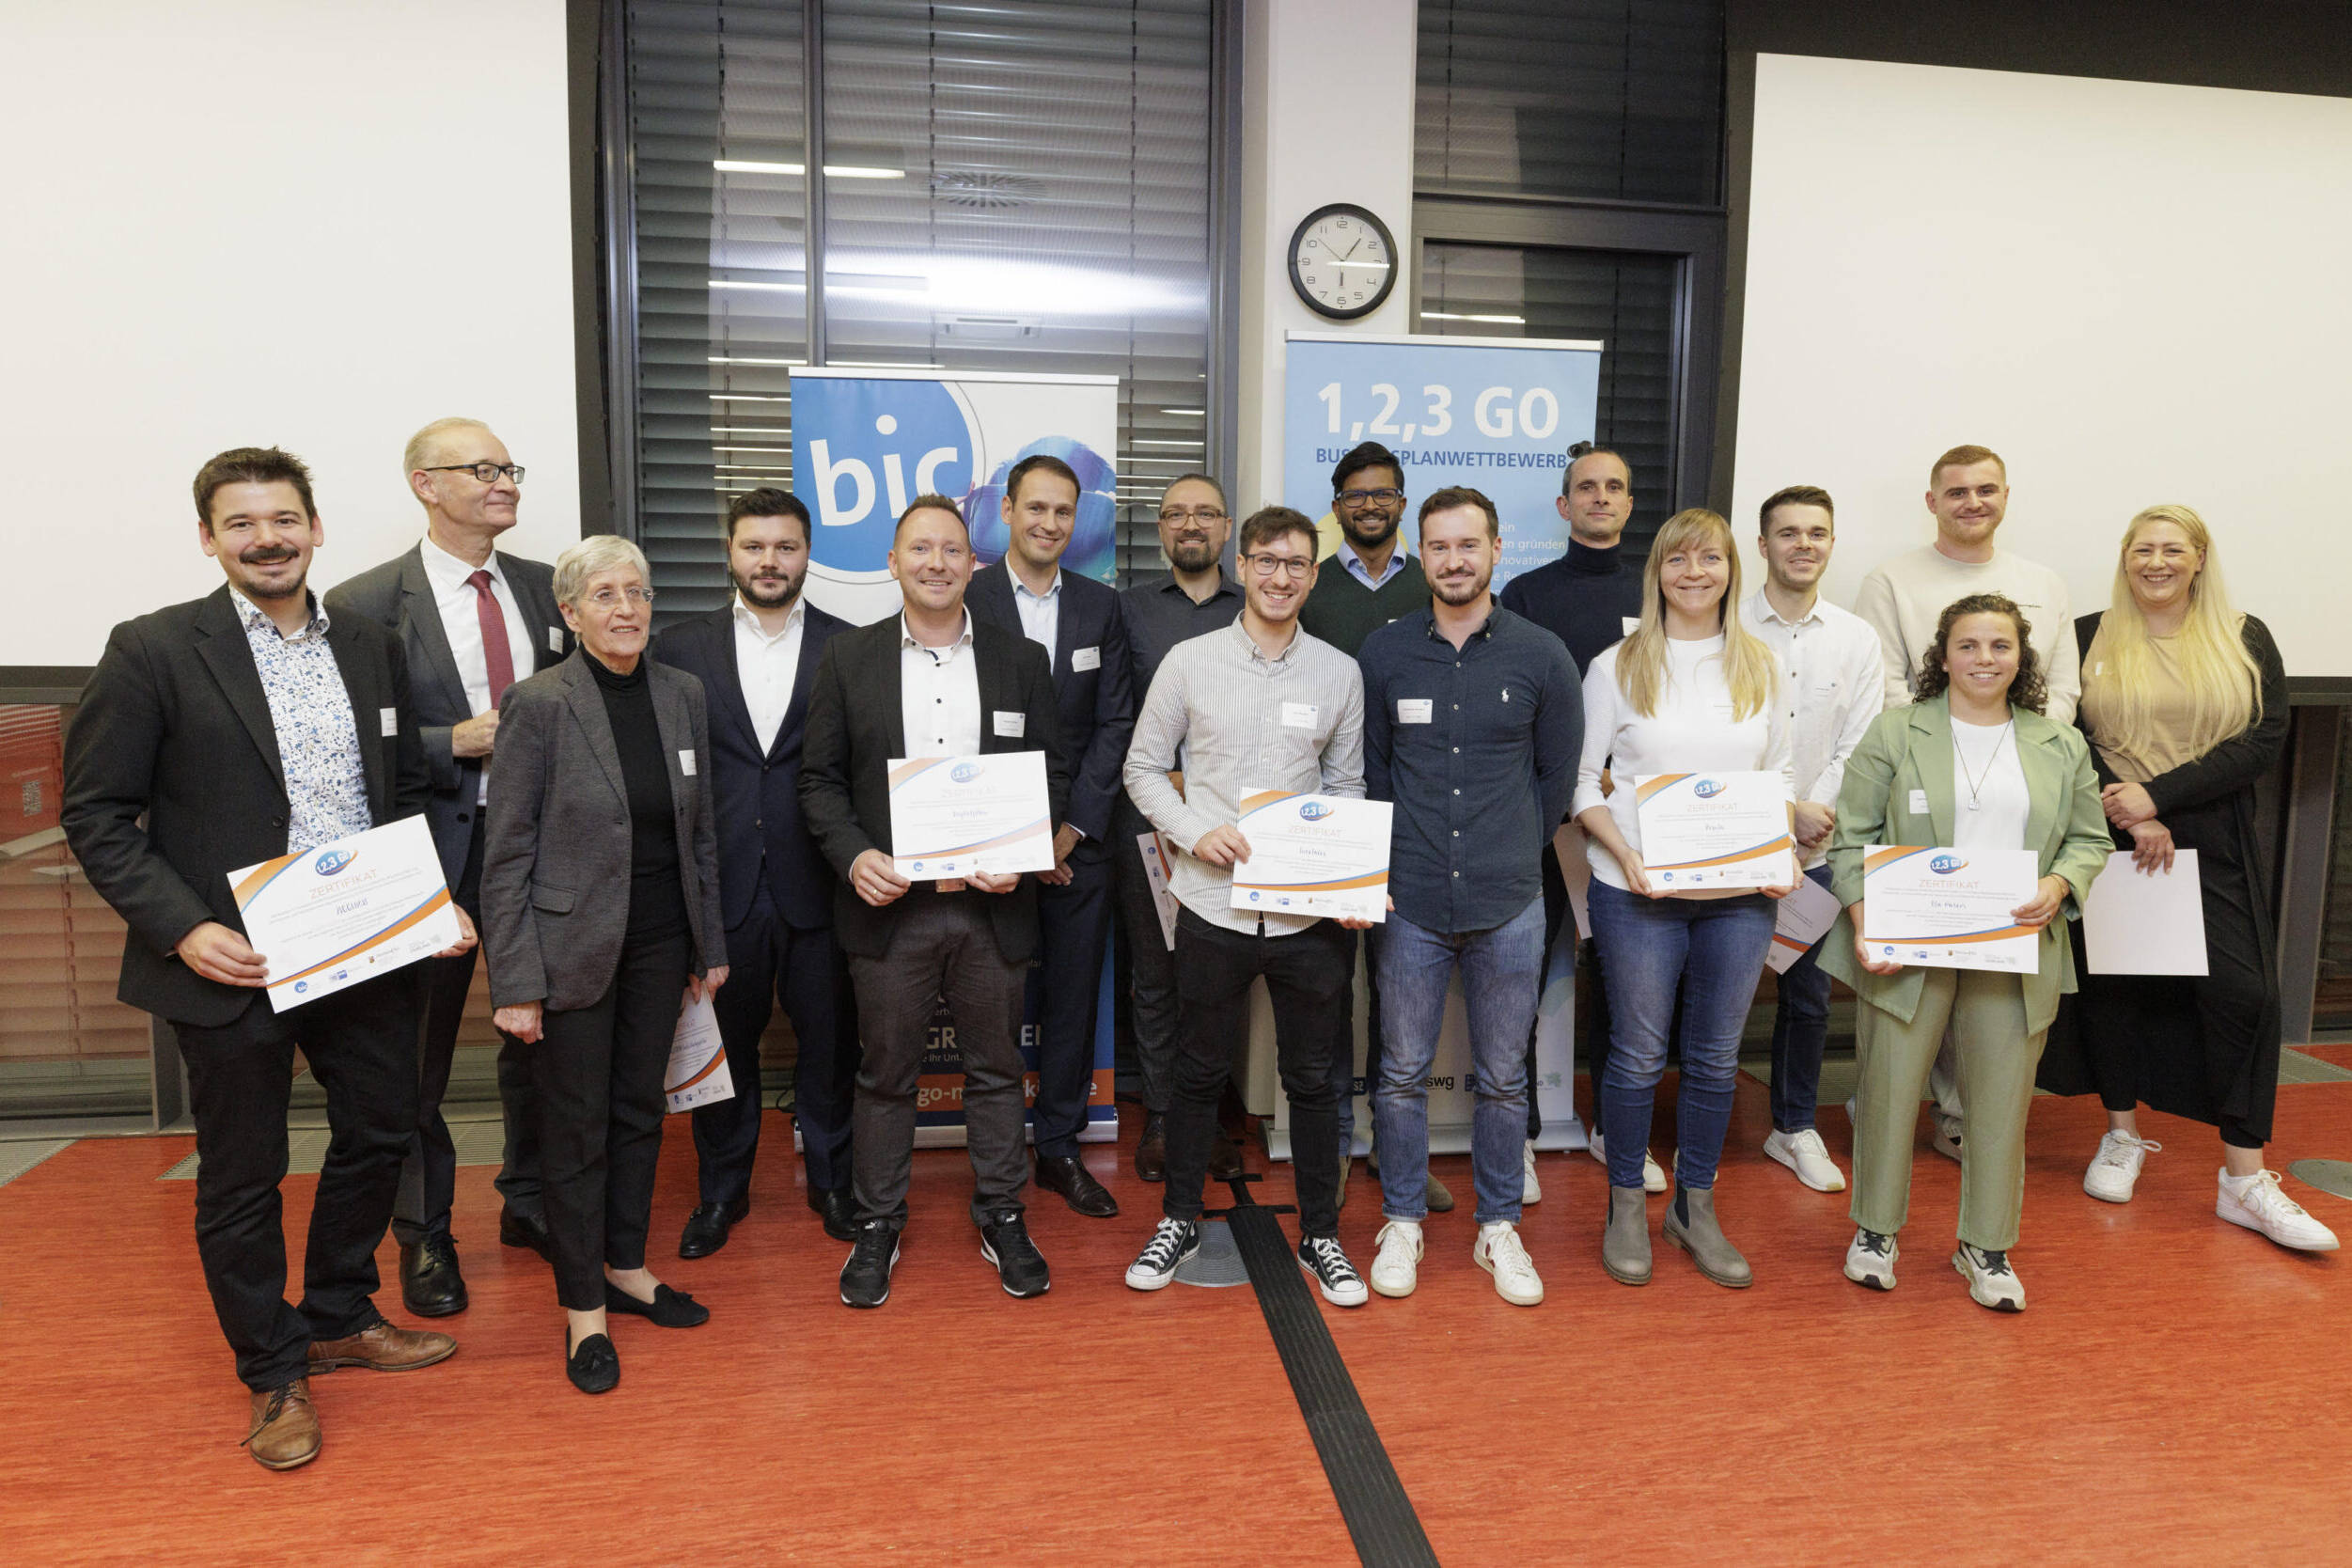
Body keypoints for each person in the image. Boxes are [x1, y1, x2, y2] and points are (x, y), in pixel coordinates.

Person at [62, 447, 466, 1470]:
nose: (266, 538)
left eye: (283, 519)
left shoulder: (372, 646)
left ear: (316, 528)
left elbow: (406, 790)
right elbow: (99, 813)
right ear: (209, 539)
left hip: (364, 950)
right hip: (228, 957)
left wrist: (429, 903)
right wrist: (181, 925)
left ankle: (337, 1309)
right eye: (240, 524)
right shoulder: (153, 649)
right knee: (240, 1177)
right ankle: (272, 1369)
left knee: (382, 1129)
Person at [798, 495, 1070, 1309]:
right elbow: (816, 782)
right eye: (921, 549)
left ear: (973, 564)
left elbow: (1048, 777)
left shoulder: (1021, 660)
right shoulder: (849, 660)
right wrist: (854, 858)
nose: (938, 563)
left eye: (953, 549)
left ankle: (1001, 1212)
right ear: (893, 562)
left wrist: (1023, 857)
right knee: (886, 1076)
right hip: (892, 912)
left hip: (992, 909)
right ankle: (878, 1222)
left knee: (994, 1072)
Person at [2044, 507, 2336, 1250]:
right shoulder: (2086, 635)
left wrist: (2162, 797)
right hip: (2112, 830)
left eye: (2174, 549)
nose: (2157, 561)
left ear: (2200, 558)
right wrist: (2132, 810)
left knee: (2246, 995)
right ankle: (2119, 1134)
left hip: (2216, 832)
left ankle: (2244, 1178)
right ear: (2125, 557)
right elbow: (2066, 735)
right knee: (2120, 988)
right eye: (2143, 549)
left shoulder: (2245, 634)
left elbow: (2266, 735)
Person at [325, 417, 566, 1313]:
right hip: (426, 857)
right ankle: (426, 1239)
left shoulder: (551, 593)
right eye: (483, 468)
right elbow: (342, 744)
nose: (505, 482)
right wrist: (446, 741)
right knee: (416, 1062)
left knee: (542, 1040)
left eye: (510, 468)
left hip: (543, 857)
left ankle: (533, 1202)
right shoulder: (363, 603)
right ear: (426, 484)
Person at [481, 536, 729, 1393]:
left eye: (639, 592)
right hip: (569, 951)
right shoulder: (540, 704)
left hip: (663, 945)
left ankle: (627, 1266)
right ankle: (582, 1306)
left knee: (637, 1113)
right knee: (576, 1128)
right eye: (608, 595)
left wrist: (712, 946)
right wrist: (514, 983)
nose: (627, 609)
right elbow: (506, 853)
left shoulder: (682, 695)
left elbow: (700, 834)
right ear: (572, 611)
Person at [1821, 594, 2109, 1312]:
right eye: (1970, 645)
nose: (1985, 659)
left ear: (2022, 658)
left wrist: (2059, 881)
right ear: (1942, 656)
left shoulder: (2059, 742)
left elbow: (2090, 839)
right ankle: (1875, 1233)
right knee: (1888, 1091)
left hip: (2013, 946)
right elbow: (1849, 837)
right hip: (1907, 944)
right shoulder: (1896, 733)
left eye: (2000, 646)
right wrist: (1864, 922)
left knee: (2001, 1103)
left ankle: (1985, 1245)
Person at [1121, 506, 1375, 1307]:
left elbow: (1347, 787)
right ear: (1241, 562)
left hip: (1308, 919)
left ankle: (1322, 1235)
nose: (1280, 577)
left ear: (1312, 572)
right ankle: (1180, 1218)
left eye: (1297, 564)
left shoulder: (1339, 671)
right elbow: (1141, 768)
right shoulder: (1190, 662)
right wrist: (1197, 832)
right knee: (1197, 1075)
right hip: (1212, 904)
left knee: (1314, 1080)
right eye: (1266, 561)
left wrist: (1352, 880)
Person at [1357, 487, 1580, 1307]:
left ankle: (1497, 1228)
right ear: (1424, 553)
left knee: (1502, 1080)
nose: (1453, 561)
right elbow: (1373, 772)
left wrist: (1511, 847)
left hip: (1510, 898)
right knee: (1402, 1071)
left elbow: (1557, 778)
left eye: (1468, 545)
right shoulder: (1383, 654)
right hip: (1409, 897)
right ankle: (1404, 1220)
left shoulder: (1543, 655)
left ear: (1495, 549)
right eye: (1439, 547)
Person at [1573, 508, 1794, 1291]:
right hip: (1637, 892)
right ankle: (1626, 1201)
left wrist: (1781, 851)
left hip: (1740, 896)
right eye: (1678, 559)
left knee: (1714, 1059)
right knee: (1634, 1059)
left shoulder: (1761, 665)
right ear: (1657, 571)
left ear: (1734, 569)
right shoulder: (1617, 665)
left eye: (1711, 558)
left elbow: (1782, 777)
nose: (1695, 572)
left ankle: (1694, 1205)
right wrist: (1625, 854)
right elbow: (1578, 783)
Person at [1852, 444, 2083, 1161]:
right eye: (1957, 492)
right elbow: (1885, 683)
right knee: (1923, 972)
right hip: (1927, 785)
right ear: (1933, 501)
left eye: (1986, 490)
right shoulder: (1891, 579)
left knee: (1990, 973)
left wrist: (2027, 764)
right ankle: (1890, 1108)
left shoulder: (2042, 582)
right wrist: (1946, 749)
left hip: (2016, 792)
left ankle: (1962, 1117)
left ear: (2006, 496)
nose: (1972, 502)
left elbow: (2064, 689)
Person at [650, 489, 859, 1256]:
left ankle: (834, 1184)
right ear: (730, 552)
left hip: (822, 884)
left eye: (785, 547)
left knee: (833, 1045)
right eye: (754, 547)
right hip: (721, 884)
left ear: (808, 554)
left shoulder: (850, 645)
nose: (769, 561)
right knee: (723, 1048)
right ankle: (721, 1194)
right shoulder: (677, 648)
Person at [967, 453, 1134, 1218]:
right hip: (989, 847)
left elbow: (1115, 727)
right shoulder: (963, 598)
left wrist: (1068, 832)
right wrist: (1014, 839)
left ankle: (1060, 1148)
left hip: (1079, 845)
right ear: (1007, 510)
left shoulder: (1104, 609)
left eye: (1063, 511)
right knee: (992, 1006)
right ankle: (994, 1157)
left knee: (1071, 1003)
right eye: (1035, 508)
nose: (1049, 524)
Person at [1499, 441, 1658, 1197]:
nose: (1600, 498)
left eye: (1614, 488)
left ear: (1630, 504)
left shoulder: (1661, 596)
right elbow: (1517, 704)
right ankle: (1521, 1134)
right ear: (1564, 506)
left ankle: (1611, 1130)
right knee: (1524, 971)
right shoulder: (1527, 594)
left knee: (1625, 974)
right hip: (1549, 815)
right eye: (1586, 488)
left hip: (1638, 823)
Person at [1296, 440, 1446, 1214]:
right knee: (1331, 989)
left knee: (1400, 993)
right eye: (1353, 494)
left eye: (1382, 492)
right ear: (1337, 503)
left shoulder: (1437, 584)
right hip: (1324, 814)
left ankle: (1400, 1152)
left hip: (1413, 818)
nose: (1368, 504)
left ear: (1401, 500)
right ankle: (1339, 1146)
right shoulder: (1311, 588)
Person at [1737, 485, 1883, 1193]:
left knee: (1809, 999)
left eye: (1816, 533)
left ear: (1830, 543)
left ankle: (1793, 1127)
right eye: (1788, 533)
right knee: (1701, 993)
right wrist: (1780, 810)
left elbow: (1861, 743)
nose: (1803, 544)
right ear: (1761, 545)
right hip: (1732, 841)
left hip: (1817, 851)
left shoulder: (1857, 638)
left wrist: (1812, 812)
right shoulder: (1724, 626)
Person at [1116, 475, 1247, 1184]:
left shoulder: (1257, 605)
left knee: (1220, 974)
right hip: (1150, 828)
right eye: (1174, 515)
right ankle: (1164, 1120)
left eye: (1204, 513)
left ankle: (1212, 1112)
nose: (1189, 525)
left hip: (1237, 831)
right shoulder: (1128, 611)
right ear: (1160, 531)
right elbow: (1116, 718)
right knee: (1156, 975)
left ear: (1227, 529)